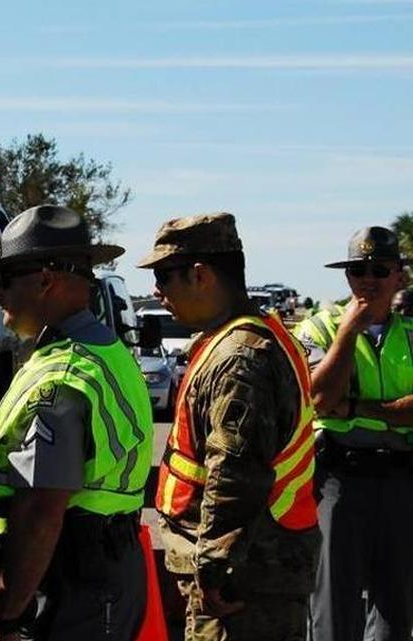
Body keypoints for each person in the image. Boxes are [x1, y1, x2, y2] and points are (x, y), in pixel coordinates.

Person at [0, 204, 153, 641]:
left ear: (45, 280)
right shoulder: (107, 352)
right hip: (107, 571)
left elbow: (41, 512)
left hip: (69, 580)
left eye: (4, 281)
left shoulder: (63, 377)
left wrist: (7, 615)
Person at [139, 213, 319, 641]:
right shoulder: (248, 339)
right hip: (257, 568)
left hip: (242, 584)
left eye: (165, 276)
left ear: (200, 275)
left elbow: (235, 471)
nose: (157, 291)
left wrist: (214, 567)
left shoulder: (239, 357)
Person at [294, 226, 413, 641]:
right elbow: (321, 398)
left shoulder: (411, 333)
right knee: (332, 602)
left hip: (400, 480)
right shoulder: (319, 328)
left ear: (399, 276)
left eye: (379, 269)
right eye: (357, 270)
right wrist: (349, 331)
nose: (368, 279)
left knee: (396, 606)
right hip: (338, 480)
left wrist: (357, 409)